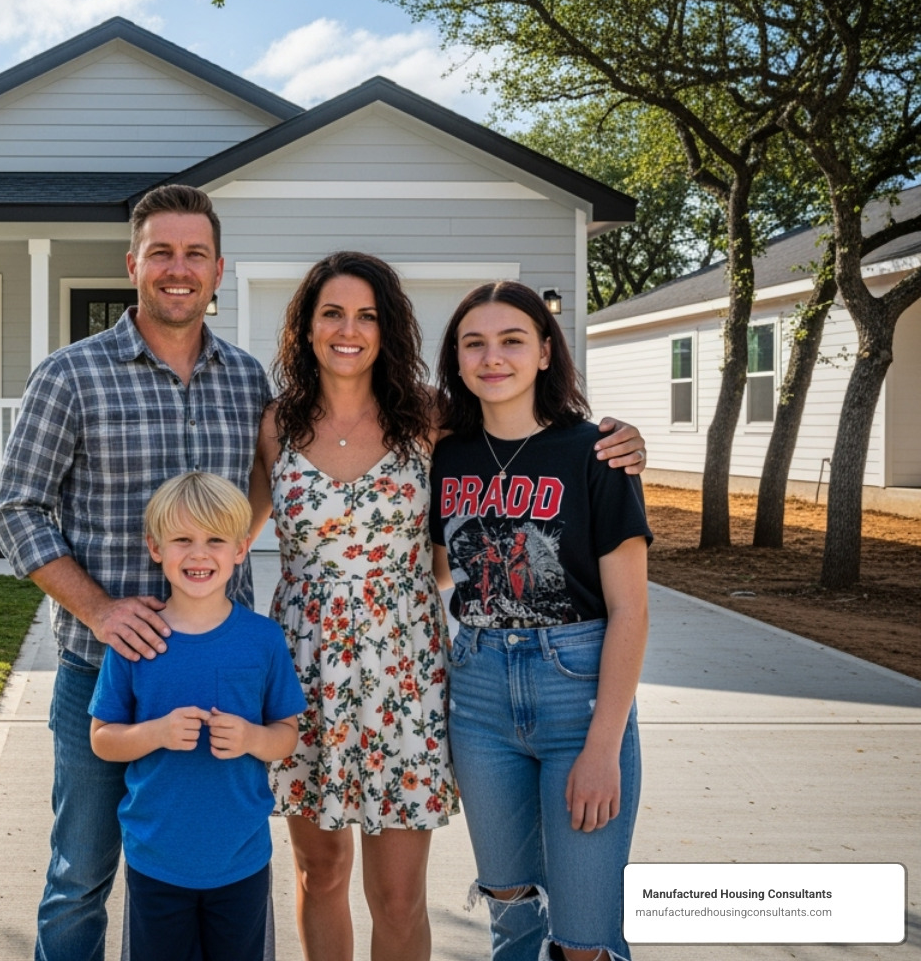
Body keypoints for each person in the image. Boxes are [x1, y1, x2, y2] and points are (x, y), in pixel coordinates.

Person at [249, 253, 648, 961]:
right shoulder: (277, 425)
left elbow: (519, 437)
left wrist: (617, 440)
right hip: (302, 667)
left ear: (389, 328)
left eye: (367, 315)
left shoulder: (429, 418)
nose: (350, 329)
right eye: (332, 314)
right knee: (320, 872)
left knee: (399, 896)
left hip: (406, 668)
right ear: (305, 329)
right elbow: (229, 535)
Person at [0, 184, 272, 961]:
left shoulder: (249, 380)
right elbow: (16, 508)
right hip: (102, 675)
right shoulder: (71, 375)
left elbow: (289, 467)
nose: (177, 269)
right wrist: (100, 611)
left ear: (218, 270)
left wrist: (241, 539)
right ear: (133, 265)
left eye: (194, 255)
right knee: (81, 873)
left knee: (228, 871)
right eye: (161, 253)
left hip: (218, 676)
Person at [429, 281, 651, 961]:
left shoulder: (599, 453)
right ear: (458, 360)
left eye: (512, 340)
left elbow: (632, 611)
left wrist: (603, 747)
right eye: (475, 343)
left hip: (575, 689)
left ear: (546, 353)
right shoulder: (445, 454)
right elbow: (439, 570)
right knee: (510, 906)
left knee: (584, 937)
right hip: (479, 693)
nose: (492, 357)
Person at [89, 472, 306, 961]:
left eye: (215, 540)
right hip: (156, 858)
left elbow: (286, 736)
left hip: (241, 859)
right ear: (155, 548)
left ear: (241, 549)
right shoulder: (137, 639)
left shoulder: (263, 640)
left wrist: (252, 737)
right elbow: (102, 738)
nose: (199, 554)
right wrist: (156, 732)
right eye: (182, 539)